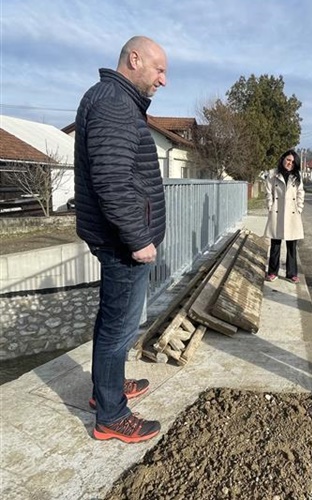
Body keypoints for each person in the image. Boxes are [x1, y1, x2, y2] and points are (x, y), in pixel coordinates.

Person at [73, 36, 168, 443]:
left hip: (118, 238)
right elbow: (112, 183)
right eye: (159, 69)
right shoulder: (114, 103)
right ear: (135, 59)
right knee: (119, 327)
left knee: (112, 321)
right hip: (122, 242)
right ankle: (111, 415)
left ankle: (104, 389)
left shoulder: (115, 99)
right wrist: (138, 238)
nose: (163, 80)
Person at [264, 149, 305, 283]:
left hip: (292, 213)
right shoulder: (273, 174)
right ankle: (272, 272)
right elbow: (268, 191)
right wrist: (270, 206)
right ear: (283, 159)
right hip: (277, 211)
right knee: (275, 244)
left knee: (292, 245)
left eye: (293, 162)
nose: (290, 163)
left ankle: (291, 273)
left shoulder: (296, 176)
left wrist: (299, 208)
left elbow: (300, 193)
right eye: (288, 160)